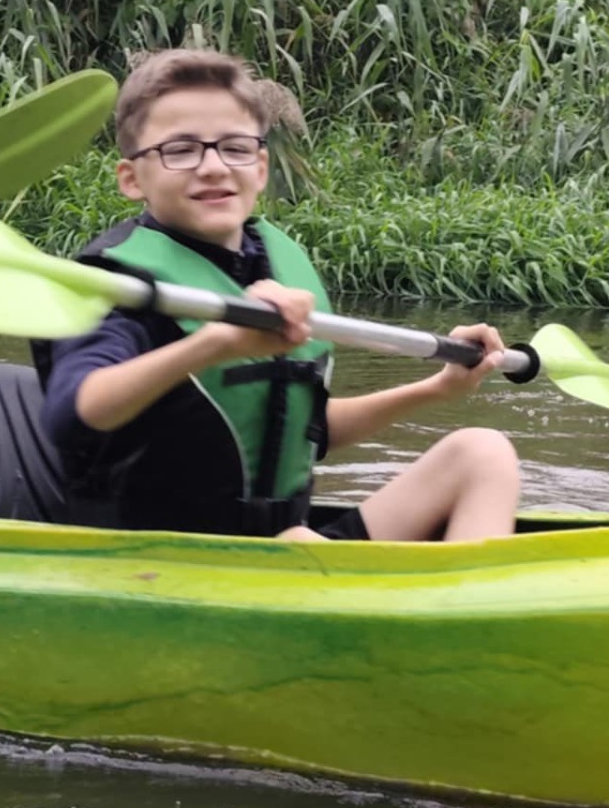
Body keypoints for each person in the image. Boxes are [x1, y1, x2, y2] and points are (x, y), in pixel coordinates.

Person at [33, 49, 520, 541]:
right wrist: (216, 343)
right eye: (180, 150)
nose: (213, 167)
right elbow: (73, 414)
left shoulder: (272, 260)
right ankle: (449, 605)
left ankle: (466, 602)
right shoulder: (119, 282)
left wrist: (437, 388)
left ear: (260, 167)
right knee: (297, 541)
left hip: (286, 553)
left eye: (235, 148)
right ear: (132, 178)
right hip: (162, 564)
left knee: (482, 453)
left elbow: (299, 427)